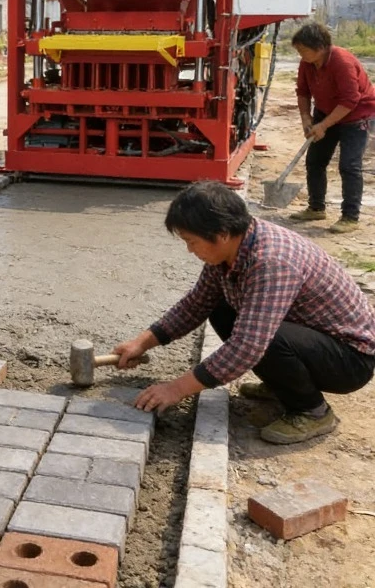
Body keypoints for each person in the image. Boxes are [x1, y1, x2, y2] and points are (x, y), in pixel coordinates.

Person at [112, 181, 375, 445]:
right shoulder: (231, 250)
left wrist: (176, 389)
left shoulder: (272, 261)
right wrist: (142, 343)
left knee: (265, 339)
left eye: (191, 242)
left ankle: (312, 410)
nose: (190, 250)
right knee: (220, 307)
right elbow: (195, 304)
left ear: (222, 233)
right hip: (312, 337)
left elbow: (248, 346)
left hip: (350, 359)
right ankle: (283, 385)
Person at [288, 21, 375, 233]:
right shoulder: (307, 63)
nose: (300, 54)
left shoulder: (341, 61)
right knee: (315, 161)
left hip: (355, 116)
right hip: (325, 111)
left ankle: (350, 217)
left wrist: (324, 126)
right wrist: (306, 118)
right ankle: (316, 207)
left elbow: (350, 100)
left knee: (349, 165)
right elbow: (303, 92)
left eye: (303, 49)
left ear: (320, 47)